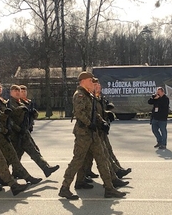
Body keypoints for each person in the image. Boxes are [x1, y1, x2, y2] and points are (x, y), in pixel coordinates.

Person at [58, 71, 126, 200]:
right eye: (90, 80)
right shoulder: (79, 95)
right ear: (83, 81)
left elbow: (94, 113)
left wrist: (102, 122)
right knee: (77, 161)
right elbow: (79, 113)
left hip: (93, 134)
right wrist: (90, 124)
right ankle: (64, 188)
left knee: (102, 159)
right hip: (83, 133)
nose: (92, 83)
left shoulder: (89, 95)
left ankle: (109, 188)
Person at [8, 84, 59, 178]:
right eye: (15, 91)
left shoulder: (22, 103)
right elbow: (9, 120)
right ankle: (4, 176)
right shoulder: (9, 104)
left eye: (19, 91)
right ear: (10, 92)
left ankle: (45, 168)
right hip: (15, 134)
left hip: (24, 132)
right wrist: (18, 129)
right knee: (13, 156)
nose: (18, 92)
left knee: (33, 151)